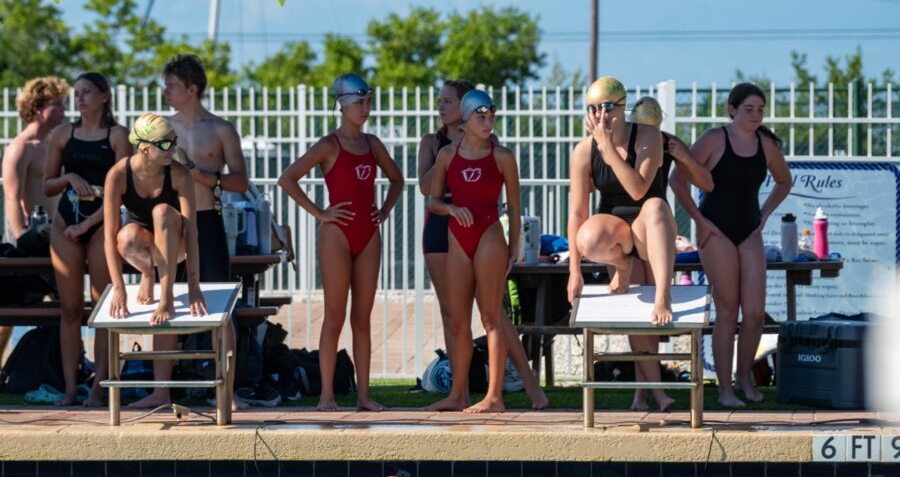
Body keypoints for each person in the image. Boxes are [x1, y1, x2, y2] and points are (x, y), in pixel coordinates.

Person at [417, 80, 547, 410]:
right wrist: (450, 208)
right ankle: (458, 394)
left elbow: (514, 207)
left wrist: (515, 245)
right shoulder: (442, 151)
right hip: (454, 236)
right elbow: (432, 199)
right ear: (467, 117)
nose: (488, 122)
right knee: (457, 319)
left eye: (492, 116)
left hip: (489, 233)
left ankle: (494, 396)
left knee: (491, 316)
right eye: (481, 116)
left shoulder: (501, 155)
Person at [278, 73, 404, 412]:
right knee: (335, 315)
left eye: (369, 102)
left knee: (362, 318)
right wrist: (320, 213)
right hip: (336, 234)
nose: (366, 108)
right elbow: (287, 179)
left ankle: (364, 395)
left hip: (368, 233)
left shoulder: (373, 144)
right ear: (344, 105)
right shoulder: (329, 145)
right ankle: (326, 396)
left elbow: (398, 180)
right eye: (360, 102)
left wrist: (386, 210)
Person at [669, 82, 792, 407]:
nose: (755, 115)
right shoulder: (714, 139)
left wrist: (764, 216)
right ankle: (724, 389)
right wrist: (698, 219)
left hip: (749, 232)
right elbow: (677, 179)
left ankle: (744, 379)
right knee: (727, 310)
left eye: (760, 110)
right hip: (716, 231)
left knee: (753, 313)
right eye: (749, 109)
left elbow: (784, 180)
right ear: (732, 109)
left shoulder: (766, 144)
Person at [567, 77, 676, 412]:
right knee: (587, 236)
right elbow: (577, 212)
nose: (600, 115)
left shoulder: (647, 135)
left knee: (656, 206)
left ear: (622, 107)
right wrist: (575, 271)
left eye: (607, 108)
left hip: (649, 229)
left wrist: (609, 149)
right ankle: (653, 393)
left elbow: (639, 190)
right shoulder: (584, 150)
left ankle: (663, 294)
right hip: (616, 233)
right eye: (593, 109)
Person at [163, 53, 249, 411]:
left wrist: (197, 173)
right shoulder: (162, 128)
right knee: (164, 305)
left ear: (192, 88)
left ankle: (226, 388)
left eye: (172, 85)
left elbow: (241, 182)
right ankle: (160, 390)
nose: (166, 91)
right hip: (168, 222)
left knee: (219, 309)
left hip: (206, 219)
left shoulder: (220, 129)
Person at [102, 113, 207, 406]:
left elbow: (193, 230)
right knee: (126, 236)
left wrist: (193, 286)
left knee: (162, 212)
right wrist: (119, 287)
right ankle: (148, 275)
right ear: (144, 147)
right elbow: (109, 238)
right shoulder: (118, 175)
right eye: (165, 143)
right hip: (145, 249)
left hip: (179, 244)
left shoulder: (178, 173)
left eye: (174, 142)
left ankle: (166, 293)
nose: (173, 149)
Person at [43, 72, 131, 406]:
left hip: (101, 224)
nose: (79, 99)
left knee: (104, 308)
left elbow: (125, 190)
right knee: (69, 310)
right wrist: (69, 176)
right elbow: (48, 184)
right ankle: (70, 387)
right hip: (67, 221)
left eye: (87, 92)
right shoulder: (63, 135)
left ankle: (99, 388)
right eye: (76, 93)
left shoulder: (117, 136)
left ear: (104, 96)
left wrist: (92, 223)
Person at [625, 96, 714, 411]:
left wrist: (685, 159)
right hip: (626, 229)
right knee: (638, 314)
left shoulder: (667, 142)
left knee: (649, 314)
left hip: (656, 229)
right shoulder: (621, 140)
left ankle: (642, 393)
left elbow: (707, 183)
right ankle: (654, 391)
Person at [3, 76, 68, 249]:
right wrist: (22, 240)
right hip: (29, 236)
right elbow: (12, 198)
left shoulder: (50, 145)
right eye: (57, 104)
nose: (64, 109)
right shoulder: (20, 148)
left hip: (52, 234)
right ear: (37, 109)